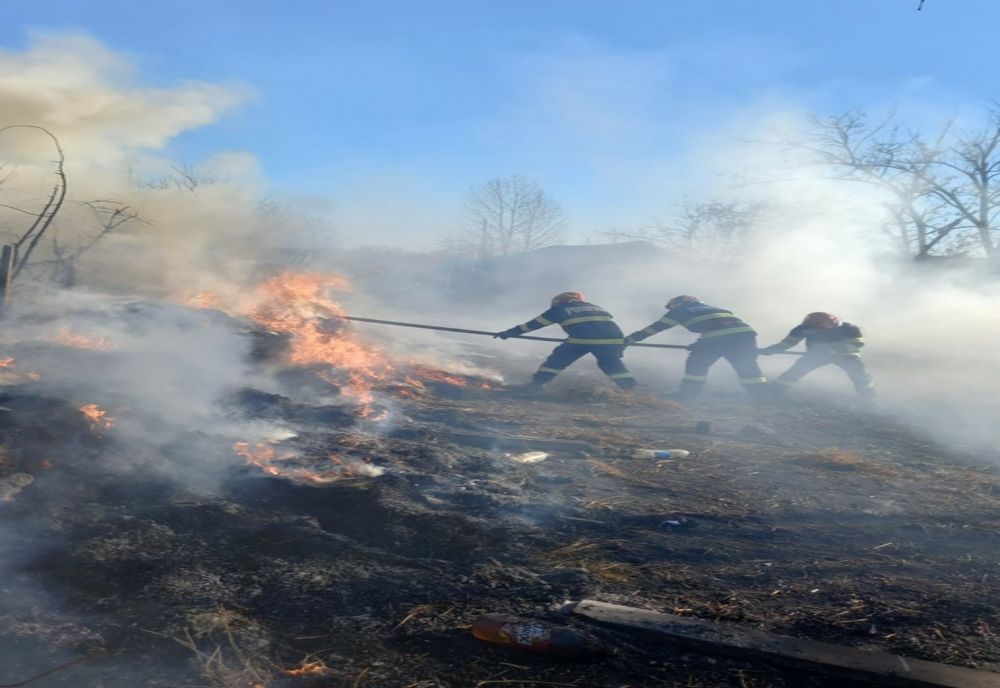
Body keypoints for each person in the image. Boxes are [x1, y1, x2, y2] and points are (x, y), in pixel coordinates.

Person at [625, 295, 768, 402]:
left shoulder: (680, 311)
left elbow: (655, 328)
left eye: (671, 307)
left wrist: (630, 339)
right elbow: (720, 327)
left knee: (696, 365)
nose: (671, 310)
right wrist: (701, 343)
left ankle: (687, 395)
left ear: (678, 304)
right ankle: (762, 397)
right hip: (746, 337)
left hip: (719, 338)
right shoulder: (716, 309)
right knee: (747, 368)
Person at [494, 292, 637, 390]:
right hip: (613, 339)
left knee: (559, 358)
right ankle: (629, 387)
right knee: (609, 363)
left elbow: (533, 325)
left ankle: (537, 384)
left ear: (558, 301)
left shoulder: (559, 309)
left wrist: (509, 333)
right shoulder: (595, 307)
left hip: (583, 339)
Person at [759, 312, 875, 399]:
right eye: (812, 327)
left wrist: (833, 349)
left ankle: (869, 400)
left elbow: (858, 343)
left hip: (846, 356)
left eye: (818, 328)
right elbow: (787, 343)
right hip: (816, 356)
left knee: (861, 378)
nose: (814, 330)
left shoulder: (849, 329)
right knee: (793, 373)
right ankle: (770, 395)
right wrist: (770, 350)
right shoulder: (803, 328)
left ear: (831, 324)